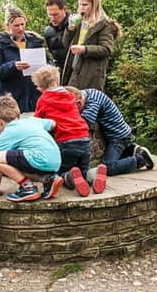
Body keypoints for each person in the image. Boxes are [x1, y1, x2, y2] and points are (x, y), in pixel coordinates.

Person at [32, 65, 105, 196]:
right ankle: (94, 174)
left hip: (66, 141)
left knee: (59, 171)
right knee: (83, 171)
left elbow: (37, 120)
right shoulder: (70, 96)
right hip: (84, 138)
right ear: (58, 82)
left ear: (41, 88)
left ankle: (69, 176)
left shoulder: (43, 100)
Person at [66, 86, 155, 176]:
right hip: (118, 134)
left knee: (108, 167)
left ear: (79, 103)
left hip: (119, 137)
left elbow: (85, 122)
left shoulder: (93, 102)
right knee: (111, 156)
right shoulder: (86, 94)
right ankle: (131, 150)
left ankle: (141, 159)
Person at [0, 94, 63, 202]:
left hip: (38, 158)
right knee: (18, 163)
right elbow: (52, 124)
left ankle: (27, 188)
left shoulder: (6, 134)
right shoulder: (31, 120)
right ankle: (48, 179)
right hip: (55, 160)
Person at [0, 6, 46, 113]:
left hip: (35, 97)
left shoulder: (35, 41)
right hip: (11, 100)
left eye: (23, 24)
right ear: (7, 25)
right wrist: (13, 66)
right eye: (16, 25)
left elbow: (47, 64)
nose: (21, 28)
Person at [62, 0, 121, 90]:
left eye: (85, 4)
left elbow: (106, 49)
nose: (81, 8)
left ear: (94, 5)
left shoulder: (104, 25)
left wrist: (85, 49)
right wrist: (69, 29)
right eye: (80, 4)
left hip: (91, 77)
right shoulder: (78, 22)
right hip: (74, 71)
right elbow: (65, 44)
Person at [44, 0, 70, 70]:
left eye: (55, 14)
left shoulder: (76, 26)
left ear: (64, 9)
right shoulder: (48, 31)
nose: (52, 18)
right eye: (50, 14)